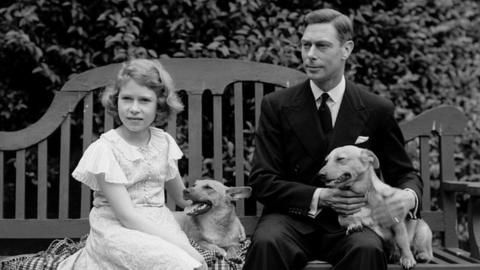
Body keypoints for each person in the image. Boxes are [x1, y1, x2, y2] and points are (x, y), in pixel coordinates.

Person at [243, 8, 422, 270]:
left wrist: (407, 197)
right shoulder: (276, 106)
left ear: (346, 49)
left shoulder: (377, 109)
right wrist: (321, 195)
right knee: (267, 242)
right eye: (306, 45)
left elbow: (405, 173)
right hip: (291, 218)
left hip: (357, 219)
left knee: (368, 249)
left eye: (322, 46)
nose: (310, 55)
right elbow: (262, 180)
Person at [57, 59, 207, 270]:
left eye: (144, 100)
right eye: (127, 99)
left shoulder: (163, 143)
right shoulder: (106, 149)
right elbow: (127, 217)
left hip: (159, 224)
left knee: (192, 263)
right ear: (115, 100)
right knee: (179, 262)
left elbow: (182, 199)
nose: (134, 108)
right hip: (117, 229)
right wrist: (185, 246)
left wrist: (211, 201)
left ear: (160, 104)